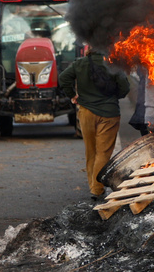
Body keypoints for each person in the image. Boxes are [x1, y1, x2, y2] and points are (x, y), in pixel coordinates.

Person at [59, 45, 130, 200]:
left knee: (90, 151)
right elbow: (124, 86)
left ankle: (93, 185)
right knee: (103, 152)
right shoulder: (113, 63)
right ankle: (96, 189)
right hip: (109, 114)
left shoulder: (80, 63)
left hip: (86, 112)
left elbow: (63, 77)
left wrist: (73, 95)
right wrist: (114, 98)